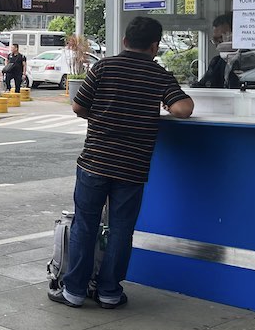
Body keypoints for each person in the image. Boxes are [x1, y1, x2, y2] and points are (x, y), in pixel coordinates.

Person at [49, 16, 194, 310]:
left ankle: (74, 291)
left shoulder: (104, 67)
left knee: (85, 225)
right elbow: (183, 109)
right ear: (155, 46)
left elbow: (78, 105)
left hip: (94, 162)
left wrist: (103, 117)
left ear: (125, 41)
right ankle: (109, 292)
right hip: (132, 167)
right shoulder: (159, 75)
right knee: (121, 229)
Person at [196, 13, 233, 88]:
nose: (218, 44)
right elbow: (202, 86)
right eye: (215, 40)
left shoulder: (251, 60)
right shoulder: (216, 62)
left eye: (222, 38)